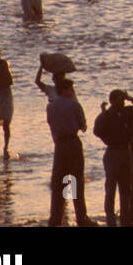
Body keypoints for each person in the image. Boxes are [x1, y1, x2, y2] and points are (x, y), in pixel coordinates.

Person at [47, 77, 96, 226]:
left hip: (59, 144)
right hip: (73, 143)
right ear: (64, 90)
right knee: (76, 180)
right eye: (71, 89)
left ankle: (55, 218)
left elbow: (51, 124)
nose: (73, 91)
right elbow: (83, 126)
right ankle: (81, 217)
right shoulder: (75, 105)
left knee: (58, 182)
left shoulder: (51, 106)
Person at [93, 89, 133, 227]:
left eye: (123, 100)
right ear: (113, 101)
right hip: (113, 152)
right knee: (111, 189)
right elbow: (97, 131)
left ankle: (125, 221)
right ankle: (111, 221)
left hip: (126, 151)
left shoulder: (126, 112)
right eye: (120, 100)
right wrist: (104, 113)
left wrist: (129, 97)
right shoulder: (106, 115)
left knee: (126, 189)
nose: (123, 103)